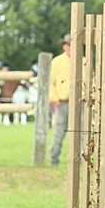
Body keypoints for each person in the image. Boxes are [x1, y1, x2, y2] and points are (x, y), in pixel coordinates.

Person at [48, 35, 71, 167]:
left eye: (71, 44)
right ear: (63, 46)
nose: (69, 47)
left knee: (81, 133)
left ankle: (81, 160)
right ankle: (54, 159)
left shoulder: (83, 61)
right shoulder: (57, 61)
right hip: (62, 102)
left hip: (79, 103)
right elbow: (51, 82)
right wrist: (55, 99)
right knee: (59, 132)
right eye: (67, 44)